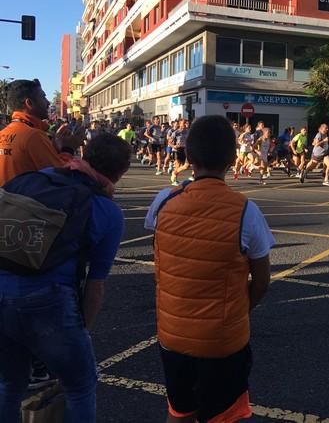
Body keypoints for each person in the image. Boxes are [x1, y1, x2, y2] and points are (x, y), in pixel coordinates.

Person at [145, 115, 274, 423]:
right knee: (222, 417)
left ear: (188, 157)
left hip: (173, 335)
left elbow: (161, 254)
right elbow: (262, 279)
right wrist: (241, 309)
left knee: (179, 411)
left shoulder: (163, 201)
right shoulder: (245, 210)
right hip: (221, 341)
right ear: (232, 159)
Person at [0, 134, 131, 422]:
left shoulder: (43, 177)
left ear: (85, 154)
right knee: (80, 385)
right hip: (50, 301)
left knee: (9, 385)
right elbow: (95, 285)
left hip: (2, 288)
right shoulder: (108, 212)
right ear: (120, 173)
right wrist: (80, 331)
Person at [0, 79, 83, 187]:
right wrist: (68, 149)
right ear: (29, 103)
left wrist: (54, 148)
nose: (48, 103)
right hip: (26, 202)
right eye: (43, 97)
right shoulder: (33, 136)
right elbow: (60, 176)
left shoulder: (3, 133)